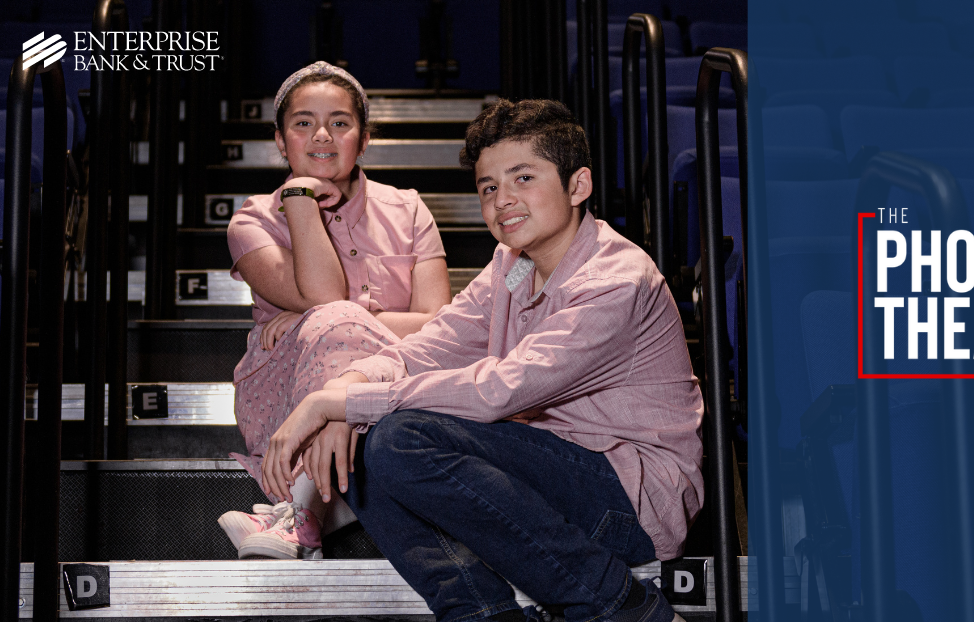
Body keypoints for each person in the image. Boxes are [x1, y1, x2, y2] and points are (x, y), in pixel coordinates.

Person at [262, 99, 701, 622]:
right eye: (489, 187)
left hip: (629, 498)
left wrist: (340, 402)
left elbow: (501, 390)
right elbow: (432, 345)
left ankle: (618, 604)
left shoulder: (616, 279)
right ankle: (481, 615)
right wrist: (349, 391)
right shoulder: (511, 267)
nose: (502, 200)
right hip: (551, 476)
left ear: (578, 186)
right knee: (366, 436)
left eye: (523, 178)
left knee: (401, 436)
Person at [217, 62, 451, 560]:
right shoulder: (250, 221)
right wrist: (300, 197)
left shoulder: (408, 209)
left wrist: (340, 317)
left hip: (391, 381)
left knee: (329, 321)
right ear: (280, 141)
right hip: (285, 393)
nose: (322, 134)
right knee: (329, 321)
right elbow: (326, 297)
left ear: (363, 139)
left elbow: (440, 322)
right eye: (302, 123)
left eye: (340, 123)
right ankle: (316, 507)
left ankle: (302, 516)